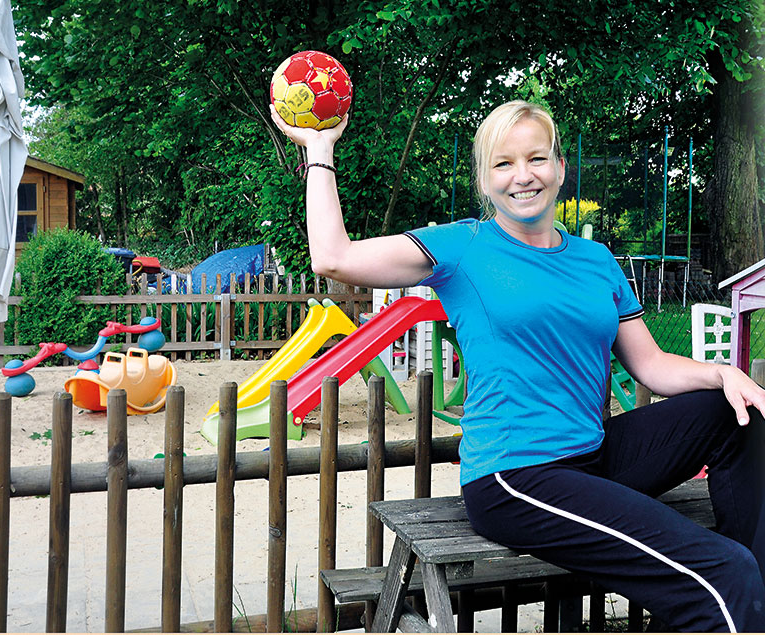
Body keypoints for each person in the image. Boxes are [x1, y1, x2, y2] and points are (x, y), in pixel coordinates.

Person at [271, 98, 765, 632]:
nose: (522, 176)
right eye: (503, 163)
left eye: (536, 158)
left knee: (734, 413)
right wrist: (319, 150)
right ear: (485, 180)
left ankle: (744, 594)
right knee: (722, 572)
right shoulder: (464, 247)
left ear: (559, 168)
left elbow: (652, 366)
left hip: (594, 459)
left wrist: (722, 373)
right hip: (517, 476)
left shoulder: (596, 261)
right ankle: (731, 592)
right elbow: (332, 257)